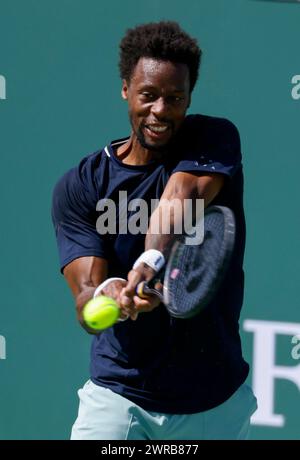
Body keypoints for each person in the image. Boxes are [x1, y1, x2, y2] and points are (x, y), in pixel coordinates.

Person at [51, 21, 257, 440]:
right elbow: (85, 298)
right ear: (126, 89)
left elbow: (181, 197)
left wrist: (149, 263)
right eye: (148, 95)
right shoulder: (81, 186)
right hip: (119, 398)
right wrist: (109, 292)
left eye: (174, 98)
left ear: (188, 99)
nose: (161, 110)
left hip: (212, 403)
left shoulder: (212, 138)